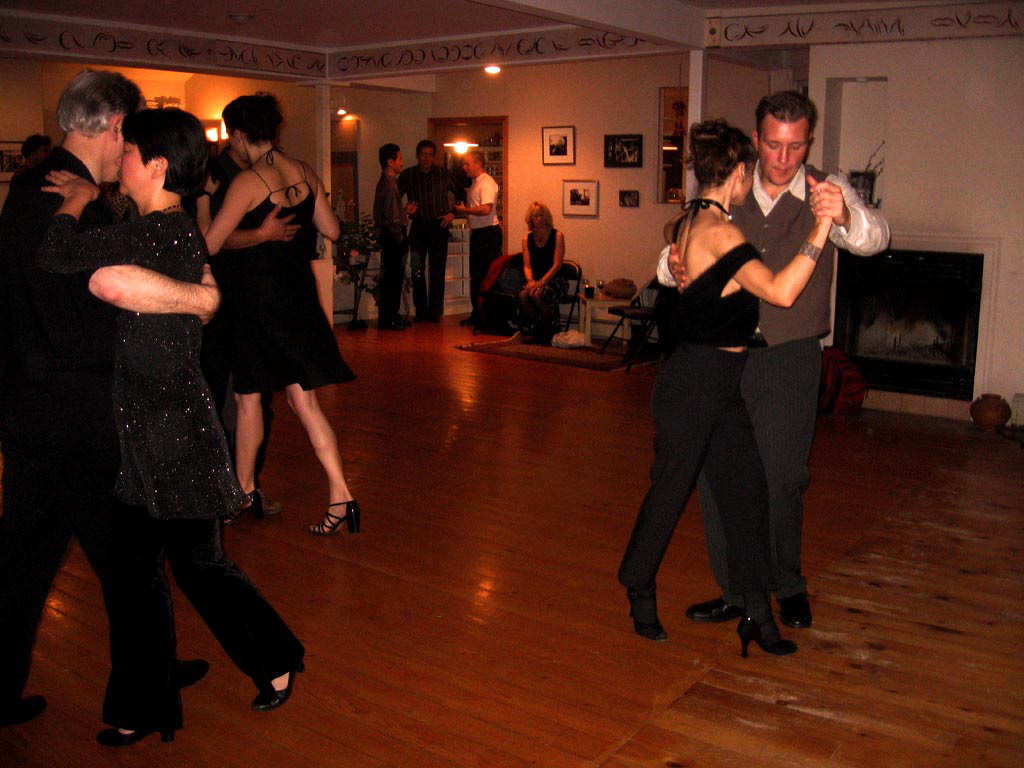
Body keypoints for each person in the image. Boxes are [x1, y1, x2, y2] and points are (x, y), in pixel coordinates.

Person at [39, 107, 307, 744]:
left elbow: (56, 254)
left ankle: (273, 658)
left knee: (197, 567)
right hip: (146, 428)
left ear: (157, 164)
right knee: (137, 576)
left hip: (176, 433)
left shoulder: (160, 232)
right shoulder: (161, 227)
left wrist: (76, 199)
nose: (121, 159)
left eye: (129, 150)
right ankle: (145, 705)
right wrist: (94, 197)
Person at [0, 71, 216, 731]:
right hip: (82, 408)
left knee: (26, 557)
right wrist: (199, 300)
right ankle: (149, 687)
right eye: (132, 132)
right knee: (128, 557)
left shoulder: (26, 189)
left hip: (29, 407)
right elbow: (113, 308)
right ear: (116, 126)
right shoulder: (79, 204)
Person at [659, 91, 890, 630]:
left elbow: (877, 238)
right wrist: (672, 264)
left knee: (782, 477)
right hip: (720, 359)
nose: (783, 158)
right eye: (772, 145)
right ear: (756, 138)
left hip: (788, 359)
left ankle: (787, 585)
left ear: (808, 141)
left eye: (796, 146)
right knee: (717, 478)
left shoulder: (826, 189)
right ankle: (737, 592)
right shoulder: (728, 186)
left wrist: (845, 215)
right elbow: (674, 254)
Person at [619, 118, 833, 654]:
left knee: (745, 494)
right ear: (738, 171)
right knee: (670, 491)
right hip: (695, 385)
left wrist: (677, 263)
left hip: (718, 384)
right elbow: (781, 292)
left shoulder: (690, 220)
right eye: (749, 171)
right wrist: (821, 227)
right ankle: (638, 584)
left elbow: (682, 258)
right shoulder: (722, 232)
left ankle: (757, 613)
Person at [202, 93, 360, 537]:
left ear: (238, 134)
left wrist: (217, 208)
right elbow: (332, 229)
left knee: (249, 398)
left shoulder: (248, 181)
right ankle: (340, 495)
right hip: (298, 296)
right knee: (302, 401)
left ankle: (243, 492)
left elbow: (209, 244)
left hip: (257, 300)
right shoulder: (304, 171)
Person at [197, 141, 299, 520]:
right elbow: (206, 242)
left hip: (254, 305)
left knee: (256, 403)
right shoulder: (210, 177)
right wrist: (260, 236)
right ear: (238, 136)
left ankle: (247, 487)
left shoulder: (264, 175)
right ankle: (222, 491)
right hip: (217, 307)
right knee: (218, 399)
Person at [398, 139, 460, 322]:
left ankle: (435, 311)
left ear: (434, 157)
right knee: (417, 269)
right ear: (418, 155)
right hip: (418, 226)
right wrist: (404, 209)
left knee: (438, 270)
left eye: (430, 155)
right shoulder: (408, 175)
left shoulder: (443, 174)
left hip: (438, 226)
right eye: (423, 155)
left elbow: (461, 193)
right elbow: (395, 199)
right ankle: (420, 310)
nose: (426, 158)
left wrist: (453, 213)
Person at [454, 150, 501, 327]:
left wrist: (465, 210)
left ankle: (485, 317)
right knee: (477, 275)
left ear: (478, 163)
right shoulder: (476, 183)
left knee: (484, 276)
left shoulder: (486, 182)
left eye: (467, 164)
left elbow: (486, 209)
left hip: (487, 234)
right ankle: (478, 315)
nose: (464, 167)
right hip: (481, 233)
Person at [373, 142, 411, 330]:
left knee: (391, 277)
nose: (402, 162)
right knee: (393, 278)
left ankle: (390, 317)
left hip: (388, 234)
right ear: (390, 161)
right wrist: (400, 238)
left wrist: (403, 212)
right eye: (399, 158)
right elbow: (391, 217)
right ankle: (389, 319)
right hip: (393, 236)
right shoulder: (389, 184)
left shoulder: (385, 182)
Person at [517, 201, 566, 344]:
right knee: (523, 295)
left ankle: (548, 327)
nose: (538, 219)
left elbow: (557, 264)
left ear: (546, 217)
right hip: (535, 280)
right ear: (530, 219)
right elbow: (527, 266)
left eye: (541, 215)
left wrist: (541, 283)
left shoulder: (557, 236)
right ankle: (539, 328)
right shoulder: (526, 239)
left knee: (538, 294)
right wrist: (531, 281)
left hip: (554, 279)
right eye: (535, 216)